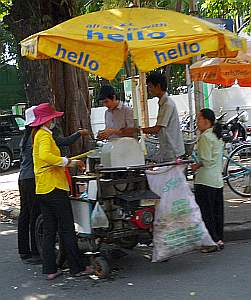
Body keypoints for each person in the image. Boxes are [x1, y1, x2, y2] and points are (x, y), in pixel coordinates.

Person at [17, 106, 89, 265]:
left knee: (29, 216)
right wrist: (67, 161)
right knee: (45, 219)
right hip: (39, 181)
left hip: (27, 179)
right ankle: (37, 252)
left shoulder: (30, 136)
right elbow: (51, 152)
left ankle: (32, 255)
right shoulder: (41, 136)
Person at [192, 108, 224, 253]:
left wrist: (194, 166)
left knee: (207, 213)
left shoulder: (205, 137)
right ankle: (218, 239)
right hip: (217, 180)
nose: (197, 122)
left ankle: (211, 242)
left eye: (198, 119)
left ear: (206, 121)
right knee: (217, 212)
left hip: (205, 180)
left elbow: (205, 160)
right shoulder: (217, 136)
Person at [141, 71, 185, 162]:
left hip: (172, 150)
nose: (149, 90)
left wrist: (139, 130)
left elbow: (157, 129)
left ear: (158, 86)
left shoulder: (167, 104)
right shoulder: (163, 103)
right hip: (168, 149)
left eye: (150, 86)